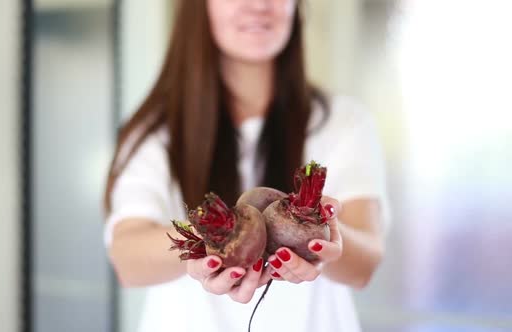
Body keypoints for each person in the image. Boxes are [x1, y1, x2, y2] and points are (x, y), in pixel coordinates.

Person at [103, 1, 389, 331]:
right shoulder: (154, 132)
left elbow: (366, 261)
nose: (257, 5)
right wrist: (207, 238)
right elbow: (127, 258)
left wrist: (320, 234)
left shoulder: (343, 121)